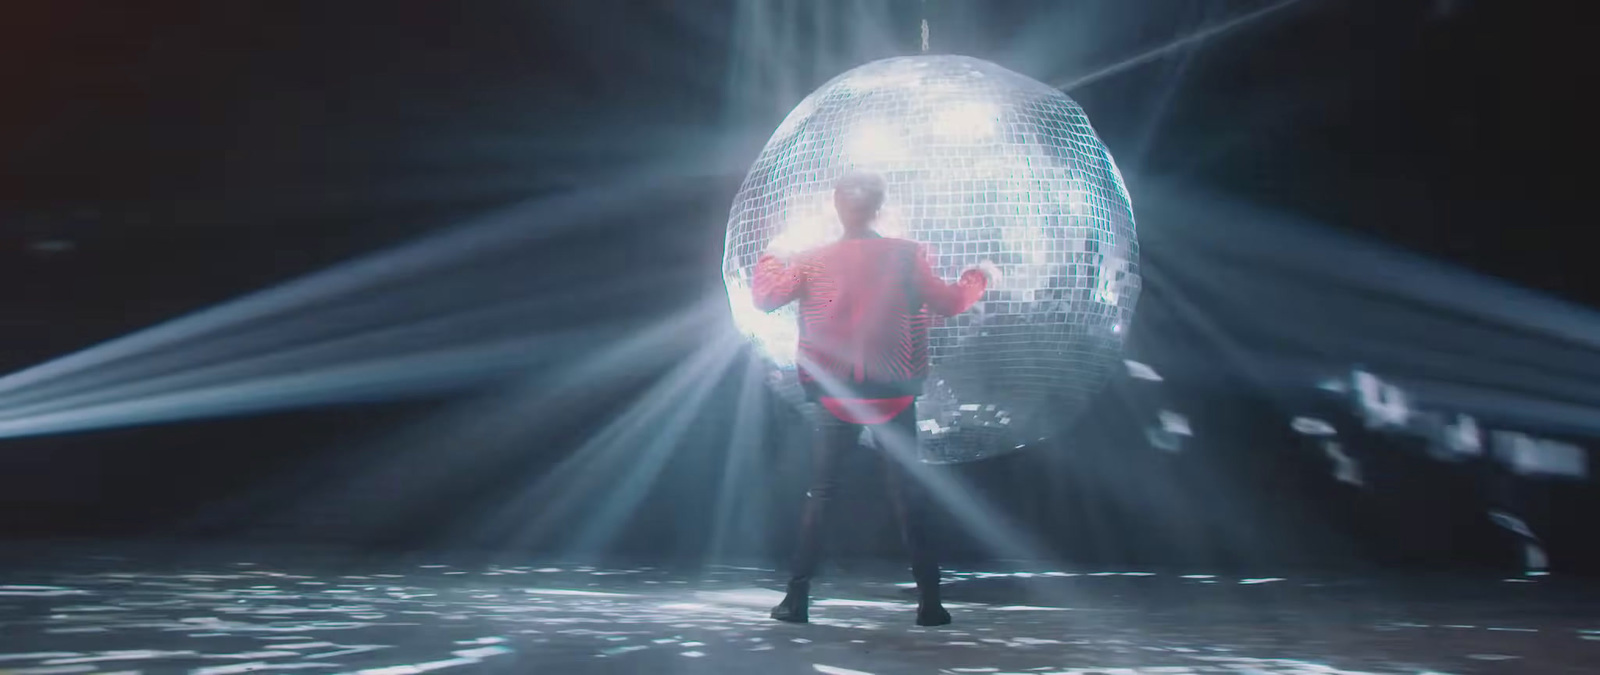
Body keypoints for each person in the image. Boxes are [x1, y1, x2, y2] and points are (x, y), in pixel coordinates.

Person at [751, 169, 996, 626]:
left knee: (821, 495)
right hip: (893, 394)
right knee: (909, 496)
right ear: (879, 208)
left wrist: (773, 254)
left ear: (838, 207)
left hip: (837, 394)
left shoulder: (811, 259)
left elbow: (764, 298)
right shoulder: (906, 255)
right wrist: (977, 278)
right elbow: (948, 303)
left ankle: (796, 600)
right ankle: (930, 604)